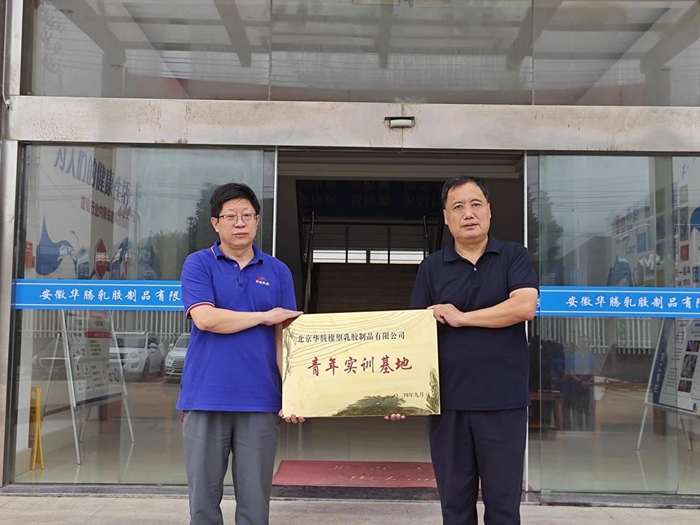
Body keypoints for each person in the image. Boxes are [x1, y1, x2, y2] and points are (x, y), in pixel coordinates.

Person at [405, 175, 538, 525]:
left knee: (504, 507)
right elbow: (415, 334)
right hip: (448, 405)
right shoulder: (432, 267)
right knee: (455, 507)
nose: (468, 213)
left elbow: (524, 306)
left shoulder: (513, 255)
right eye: (458, 207)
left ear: (489, 211)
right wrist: (400, 394)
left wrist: (462, 318)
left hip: (503, 402)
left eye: (476, 204)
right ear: (446, 217)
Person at [178, 182, 303, 525]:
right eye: (230, 216)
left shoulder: (277, 271)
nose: (239, 223)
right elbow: (206, 319)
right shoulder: (198, 264)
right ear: (215, 223)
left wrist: (294, 393)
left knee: (255, 504)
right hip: (206, 398)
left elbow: (283, 338)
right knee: (203, 503)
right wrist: (263, 316)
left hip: (260, 400)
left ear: (257, 220)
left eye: (247, 215)